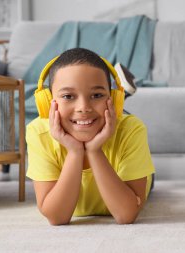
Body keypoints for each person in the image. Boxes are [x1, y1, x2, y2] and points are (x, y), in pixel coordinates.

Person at [26, 48, 155, 225]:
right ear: (47, 102)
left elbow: (126, 215)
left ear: (113, 98)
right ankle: (117, 93)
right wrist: (75, 152)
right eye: (68, 96)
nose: (83, 106)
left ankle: (121, 96)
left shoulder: (132, 129)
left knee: (112, 116)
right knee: (90, 116)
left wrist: (94, 151)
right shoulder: (38, 133)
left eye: (96, 95)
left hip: (115, 140)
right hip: (90, 121)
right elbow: (57, 217)